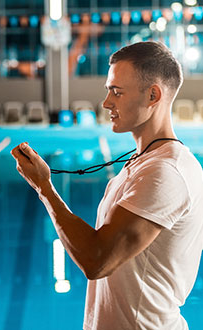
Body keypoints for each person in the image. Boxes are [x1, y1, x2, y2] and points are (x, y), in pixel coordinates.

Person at [11, 41, 203, 330]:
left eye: (117, 91)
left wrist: (45, 189)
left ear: (153, 95)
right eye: (108, 90)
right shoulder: (143, 162)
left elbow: (98, 260)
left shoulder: (166, 171)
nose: (106, 103)